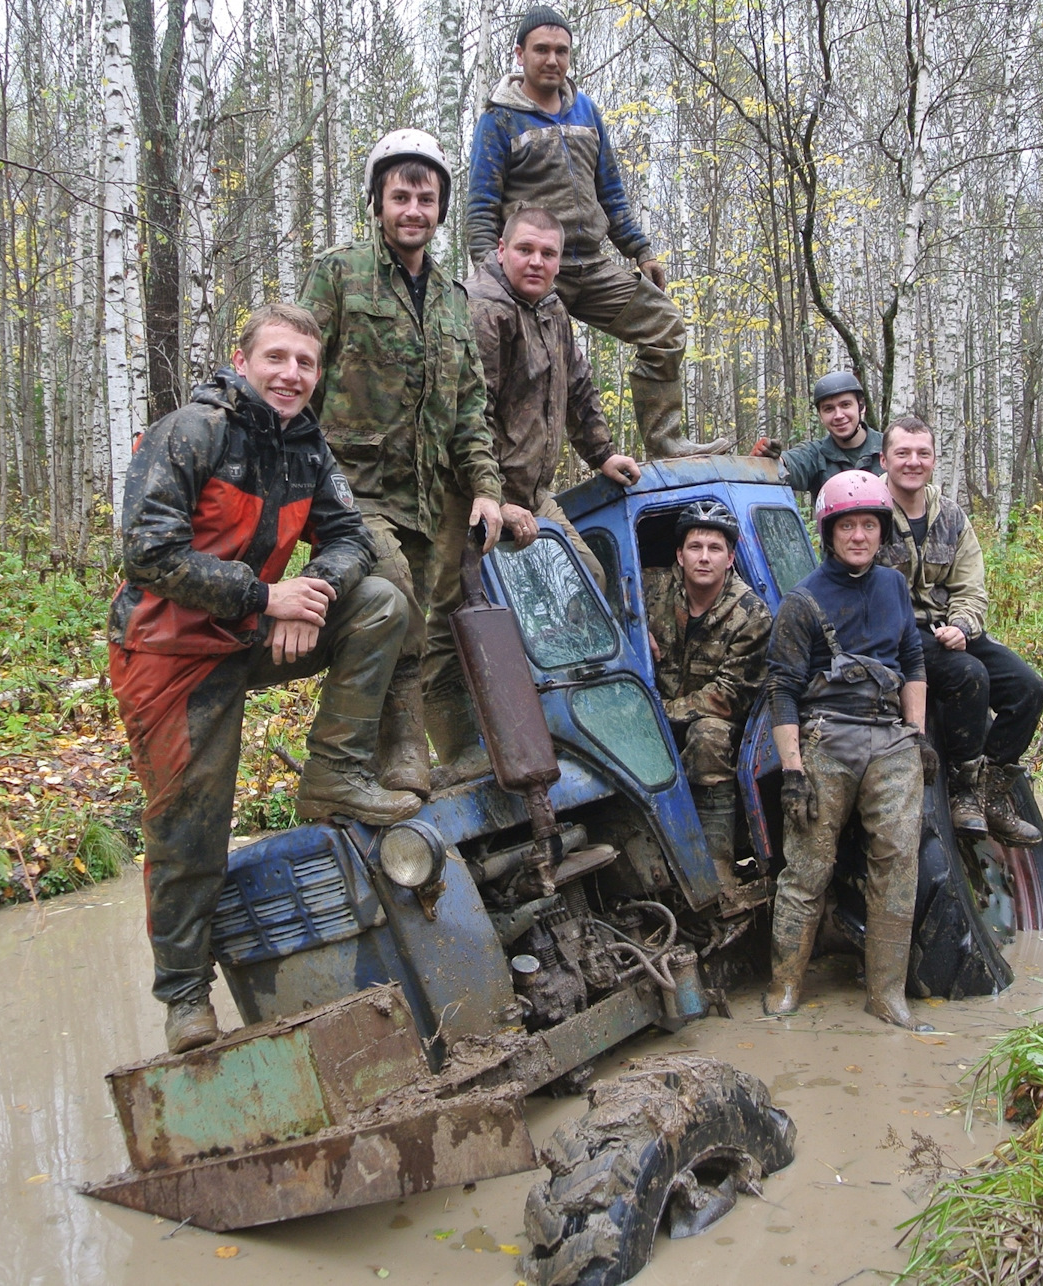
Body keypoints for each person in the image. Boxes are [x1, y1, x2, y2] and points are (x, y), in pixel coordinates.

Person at [109, 304, 420, 1056]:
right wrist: (265, 595)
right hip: (171, 650)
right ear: (242, 361)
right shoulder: (193, 432)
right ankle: (185, 997)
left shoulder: (307, 448)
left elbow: (348, 535)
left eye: (305, 365)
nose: (291, 376)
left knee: (380, 601)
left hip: (252, 632)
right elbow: (147, 553)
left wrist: (310, 595)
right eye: (277, 359)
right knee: (189, 827)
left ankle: (336, 774)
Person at [300, 130, 504, 801]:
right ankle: (394, 748)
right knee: (398, 600)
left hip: (422, 498)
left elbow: (470, 406)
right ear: (378, 202)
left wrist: (486, 488)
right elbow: (300, 374)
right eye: (400, 196)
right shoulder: (339, 273)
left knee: (397, 615)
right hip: (347, 488)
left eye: (426, 197)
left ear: (441, 208)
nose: (413, 209)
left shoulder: (452, 300)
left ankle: (372, 756)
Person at [466, 6, 717, 459]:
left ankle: (666, 442)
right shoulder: (498, 120)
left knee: (664, 324)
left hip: (592, 265)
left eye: (562, 51)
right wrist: (491, 278)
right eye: (541, 50)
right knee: (534, 369)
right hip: (537, 271)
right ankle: (506, 472)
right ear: (519, 54)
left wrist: (640, 251)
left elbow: (612, 193)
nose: (552, 60)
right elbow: (482, 206)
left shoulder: (586, 111)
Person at [447, 204, 643, 776]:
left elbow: (578, 391)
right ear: (501, 249)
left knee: (589, 582)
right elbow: (467, 415)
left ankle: (569, 723)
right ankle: (492, 747)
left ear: (559, 262)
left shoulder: (552, 309)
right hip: (477, 499)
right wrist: (496, 497)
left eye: (548, 253)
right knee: (482, 626)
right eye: (526, 249)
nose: (536, 261)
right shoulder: (484, 310)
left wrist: (604, 454)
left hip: (534, 494)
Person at [762, 469, 934, 1030]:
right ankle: (785, 985)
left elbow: (912, 659)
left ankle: (887, 994)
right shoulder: (802, 600)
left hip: (889, 740)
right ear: (828, 531)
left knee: (898, 864)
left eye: (869, 525)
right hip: (824, 740)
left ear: (881, 530)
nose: (859, 535)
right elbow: (782, 688)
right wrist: (792, 770)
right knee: (807, 868)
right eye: (847, 526)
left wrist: (917, 732)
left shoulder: (892, 587)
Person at [877, 415, 1043, 845]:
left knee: (1027, 688)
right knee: (969, 676)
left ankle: (994, 790)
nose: (913, 462)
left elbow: (971, 587)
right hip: (896, 637)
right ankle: (963, 788)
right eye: (903, 453)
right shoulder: (867, 511)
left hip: (948, 630)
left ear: (934, 460)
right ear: (884, 458)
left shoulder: (951, 516)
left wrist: (962, 626)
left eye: (922, 454)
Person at [642, 501, 772, 883]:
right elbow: (589, 613)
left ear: (730, 558)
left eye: (714, 549)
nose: (704, 558)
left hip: (721, 725)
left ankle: (716, 863)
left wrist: (659, 713)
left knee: (708, 736)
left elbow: (727, 697)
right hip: (654, 708)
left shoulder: (751, 614)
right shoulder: (649, 588)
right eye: (695, 548)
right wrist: (627, 630)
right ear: (679, 556)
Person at [769, 371, 883, 500]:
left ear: (861, 406)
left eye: (845, 405)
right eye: (829, 409)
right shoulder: (815, 455)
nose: (838, 415)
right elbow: (791, 463)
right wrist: (770, 459)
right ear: (820, 415)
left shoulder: (888, 449)